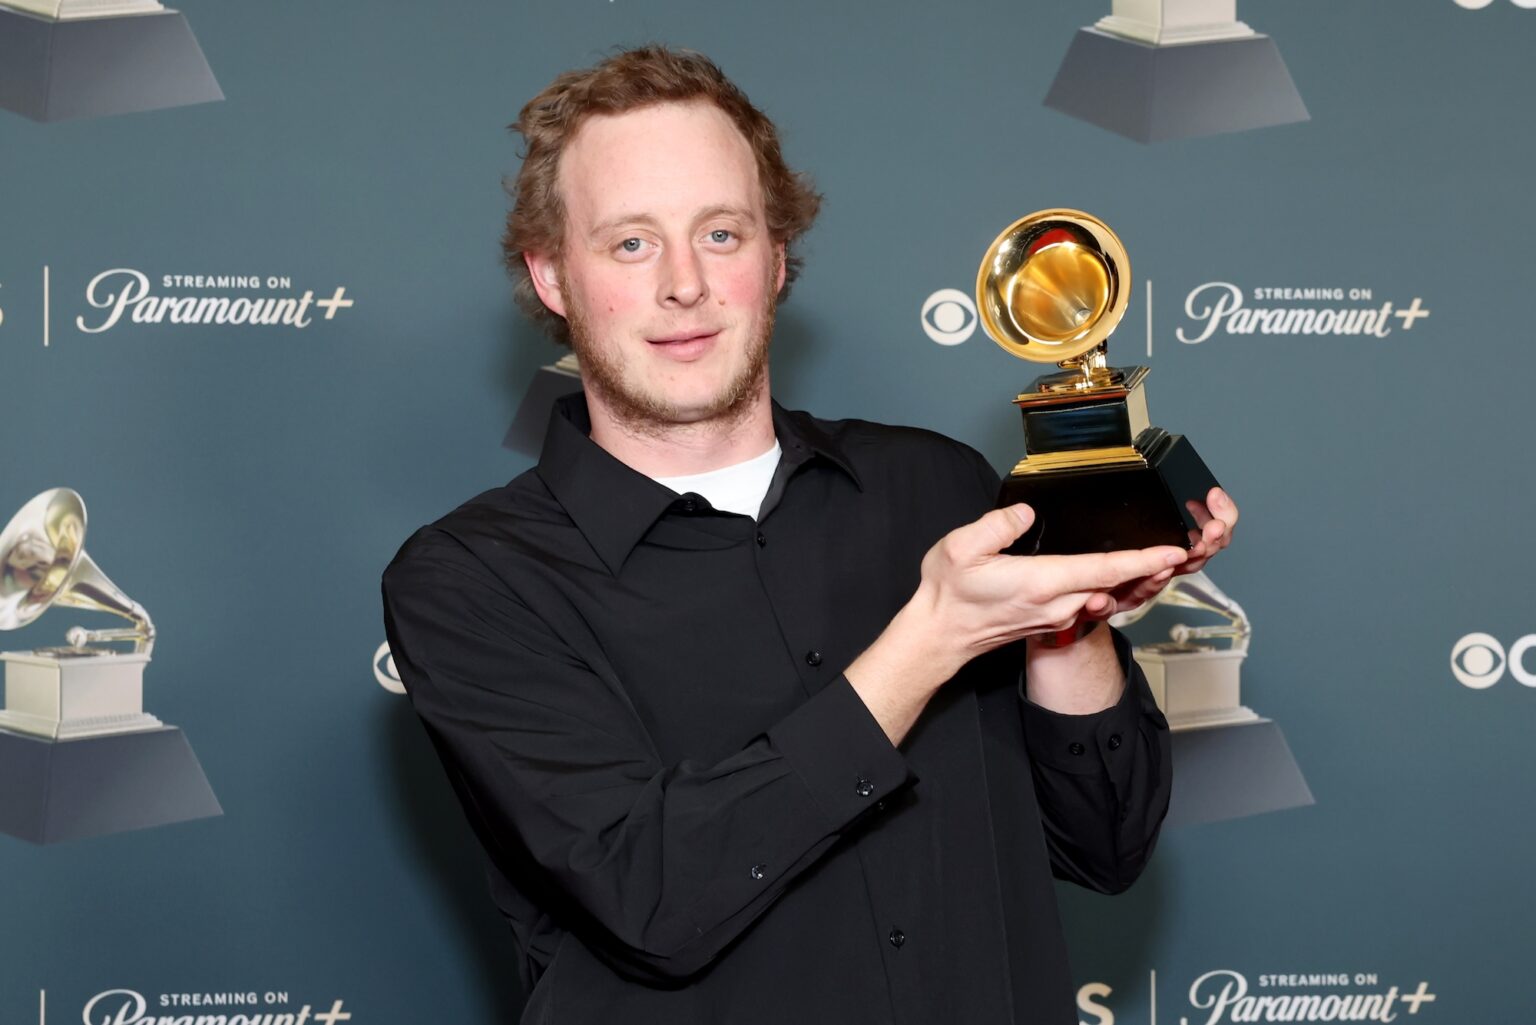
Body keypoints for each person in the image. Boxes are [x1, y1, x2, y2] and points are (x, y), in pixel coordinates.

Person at [382, 45, 1237, 1025]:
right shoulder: (472, 580)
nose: (684, 284)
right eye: (630, 243)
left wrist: (1066, 625)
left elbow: (1107, 842)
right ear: (552, 277)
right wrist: (931, 637)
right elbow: (652, 896)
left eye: (721, 232)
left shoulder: (939, 486)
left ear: (778, 256)